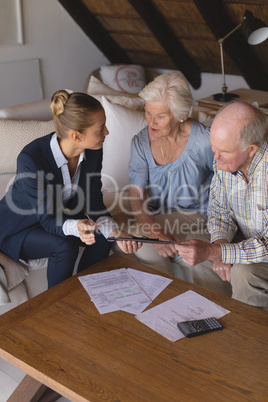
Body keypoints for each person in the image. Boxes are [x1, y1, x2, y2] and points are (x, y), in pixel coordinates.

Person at [0, 90, 141, 288]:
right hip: (18, 228)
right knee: (65, 245)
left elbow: (93, 201)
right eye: (100, 129)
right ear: (76, 135)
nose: (106, 133)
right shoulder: (31, 159)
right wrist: (77, 227)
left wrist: (116, 232)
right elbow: (47, 218)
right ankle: (58, 306)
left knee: (102, 236)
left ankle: (87, 292)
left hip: (55, 218)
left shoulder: (93, 151)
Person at [175, 101, 268, 310]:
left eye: (223, 151)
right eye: (213, 148)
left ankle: (248, 336)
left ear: (251, 149)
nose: (215, 158)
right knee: (194, 254)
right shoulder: (224, 161)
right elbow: (219, 210)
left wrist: (217, 252)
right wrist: (220, 243)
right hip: (249, 240)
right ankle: (214, 321)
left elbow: (266, 245)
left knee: (244, 273)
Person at [128, 72, 214, 277]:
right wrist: (155, 233)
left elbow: (230, 187)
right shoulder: (140, 142)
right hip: (162, 216)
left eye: (160, 116)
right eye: (148, 113)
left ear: (180, 114)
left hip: (202, 215)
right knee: (134, 241)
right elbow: (136, 194)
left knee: (197, 260)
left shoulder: (204, 141)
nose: (151, 122)